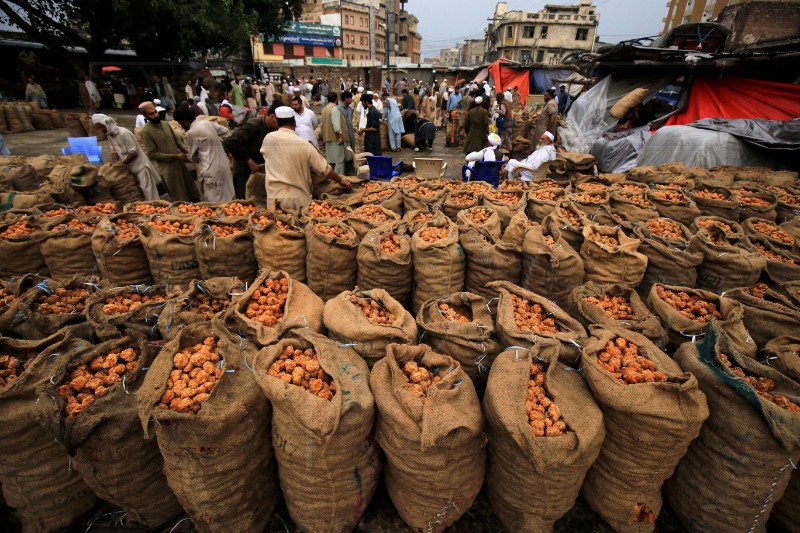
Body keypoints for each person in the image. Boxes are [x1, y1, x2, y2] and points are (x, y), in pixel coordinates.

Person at [260, 106, 351, 210]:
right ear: (294, 123)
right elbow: (325, 170)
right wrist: (341, 180)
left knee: (279, 225)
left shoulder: (268, 139)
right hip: (298, 201)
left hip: (274, 200)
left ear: (275, 121)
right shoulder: (304, 144)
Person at [138, 101, 199, 202]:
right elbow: (152, 154)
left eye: (155, 112)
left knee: (192, 193)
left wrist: (185, 148)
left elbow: (177, 141)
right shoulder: (145, 132)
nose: (156, 115)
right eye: (151, 114)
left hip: (180, 165)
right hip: (168, 170)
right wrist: (175, 156)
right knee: (180, 198)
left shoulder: (165, 124)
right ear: (145, 115)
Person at [91, 113, 161, 201]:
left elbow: (133, 153)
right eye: (98, 128)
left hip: (140, 167)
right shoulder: (109, 136)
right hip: (129, 168)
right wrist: (115, 166)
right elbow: (114, 152)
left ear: (107, 124)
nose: (100, 130)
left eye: (101, 127)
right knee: (138, 192)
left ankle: (156, 210)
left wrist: (120, 165)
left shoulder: (124, 133)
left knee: (148, 192)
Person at [173, 107, 235, 202]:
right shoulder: (205, 123)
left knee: (215, 203)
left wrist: (182, 156)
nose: (180, 126)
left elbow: (193, 157)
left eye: (180, 123)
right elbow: (226, 132)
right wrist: (221, 144)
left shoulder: (190, 133)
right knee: (228, 198)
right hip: (223, 166)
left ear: (185, 122)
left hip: (211, 171)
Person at [224, 103, 279, 199]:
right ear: (272, 117)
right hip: (244, 171)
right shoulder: (254, 125)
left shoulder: (271, 129)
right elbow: (230, 142)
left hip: (259, 172)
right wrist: (249, 161)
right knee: (245, 202)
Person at [320, 92, 347, 174]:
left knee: (330, 161)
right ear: (336, 99)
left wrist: (322, 137)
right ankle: (339, 179)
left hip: (327, 138)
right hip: (335, 139)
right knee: (339, 161)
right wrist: (340, 136)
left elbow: (321, 126)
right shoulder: (334, 108)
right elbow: (336, 124)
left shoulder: (324, 109)